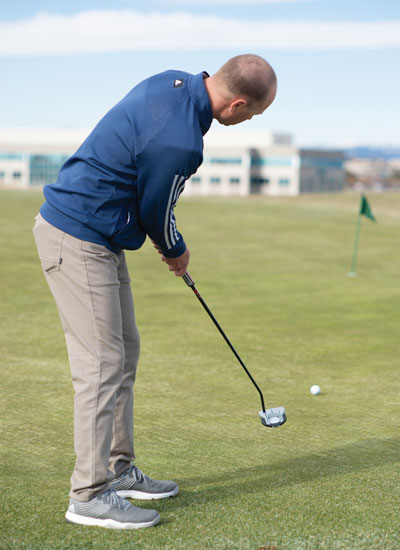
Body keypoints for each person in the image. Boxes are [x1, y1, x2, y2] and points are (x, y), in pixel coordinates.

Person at [33, 54, 277, 530]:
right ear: (238, 103)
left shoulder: (175, 81)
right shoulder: (183, 141)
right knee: (101, 366)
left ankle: (118, 469)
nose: (247, 121)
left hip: (99, 234)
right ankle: (88, 494)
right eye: (252, 115)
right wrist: (176, 250)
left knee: (125, 352)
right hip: (77, 235)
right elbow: (154, 210)